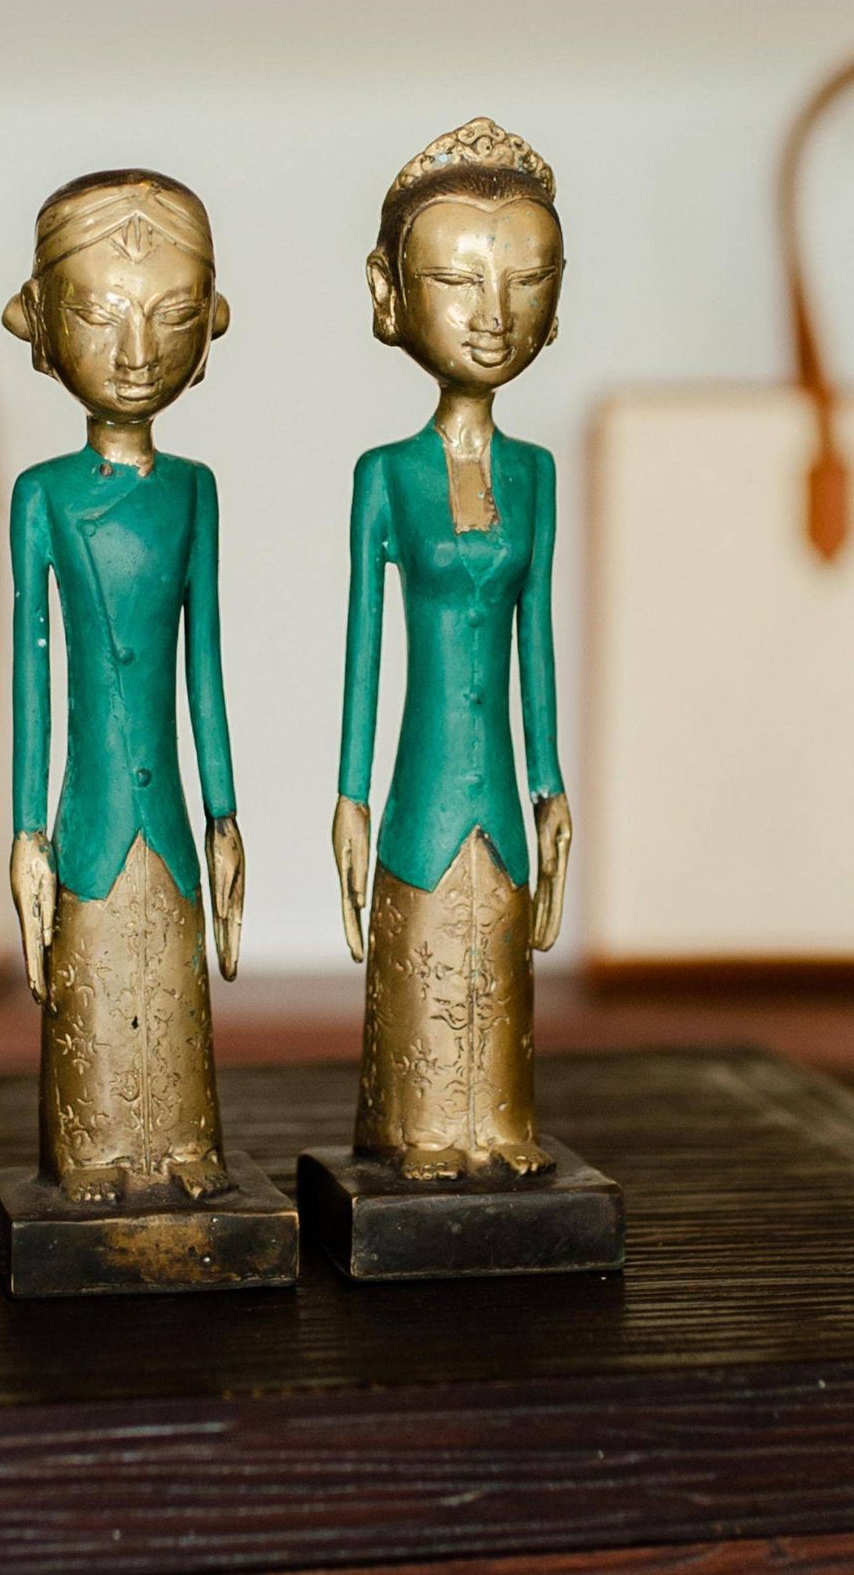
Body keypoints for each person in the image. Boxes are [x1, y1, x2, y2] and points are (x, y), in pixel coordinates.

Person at [333, 119, 572, 1181]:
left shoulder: (536, 474)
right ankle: (421, 1127)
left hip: (504, 786)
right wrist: (348, 797)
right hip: (422, 781)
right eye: (459, 282)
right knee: (430, 942)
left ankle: (498, 1125)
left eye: (526, 281)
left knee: (495, 954)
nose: (494, 315)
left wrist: (552, 786)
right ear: (393, 295)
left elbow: (538, 642)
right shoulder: (385, 474)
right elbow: (364, 649)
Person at [3, 170, 244, 1203]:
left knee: (168, 974)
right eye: (102, 314)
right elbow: (32, 671)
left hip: (172, 818)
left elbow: (205, 667)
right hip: (92, 811)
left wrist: (225, 814)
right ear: (42, 324)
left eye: (171, 315)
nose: (139, 352)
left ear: (210, 326)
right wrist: (27, 833)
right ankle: (93, 1149)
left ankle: (182, 1147)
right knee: (99, 977)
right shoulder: (45, 495)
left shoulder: (194, 490)